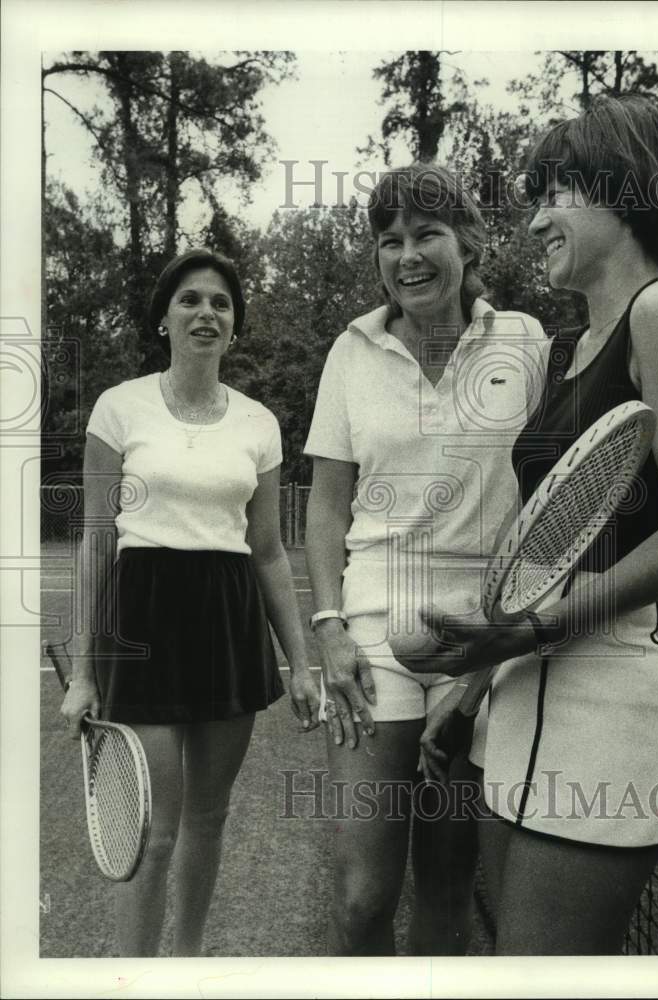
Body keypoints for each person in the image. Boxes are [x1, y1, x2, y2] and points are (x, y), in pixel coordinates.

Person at [397, 95, 658, 954]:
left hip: (605, 707)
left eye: (557, 192)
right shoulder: (566, 349)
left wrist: (523, 633)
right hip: (515, 702)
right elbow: (536, 553)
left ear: (623, 192)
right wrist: (475, 687)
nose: (538, 217)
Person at [304, 164, 549, 955]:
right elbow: (326, 505)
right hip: (374, 637)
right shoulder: (351, 350)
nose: (407, 256)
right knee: (362, 898)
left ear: (468, 244)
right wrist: (329, 628)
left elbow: (550, 498)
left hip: (484, 644)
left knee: (447, 885)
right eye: (389, 240)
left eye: (426, 235)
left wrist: (482, 668)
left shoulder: (525, 341)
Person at [60, 248, 321, 957]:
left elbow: (267, 550)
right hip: (142, 624)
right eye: (190, 300)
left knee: (207, 820)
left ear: (234, 326)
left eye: (220, 304)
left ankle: (185, 967)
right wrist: (84, 672)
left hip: (227, 626)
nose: (205, 313)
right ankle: (135, 975)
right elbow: (95, 542)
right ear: (164, 319)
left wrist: (302, 664)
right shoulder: (120, 408)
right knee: (153, 824)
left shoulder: (259, 425)